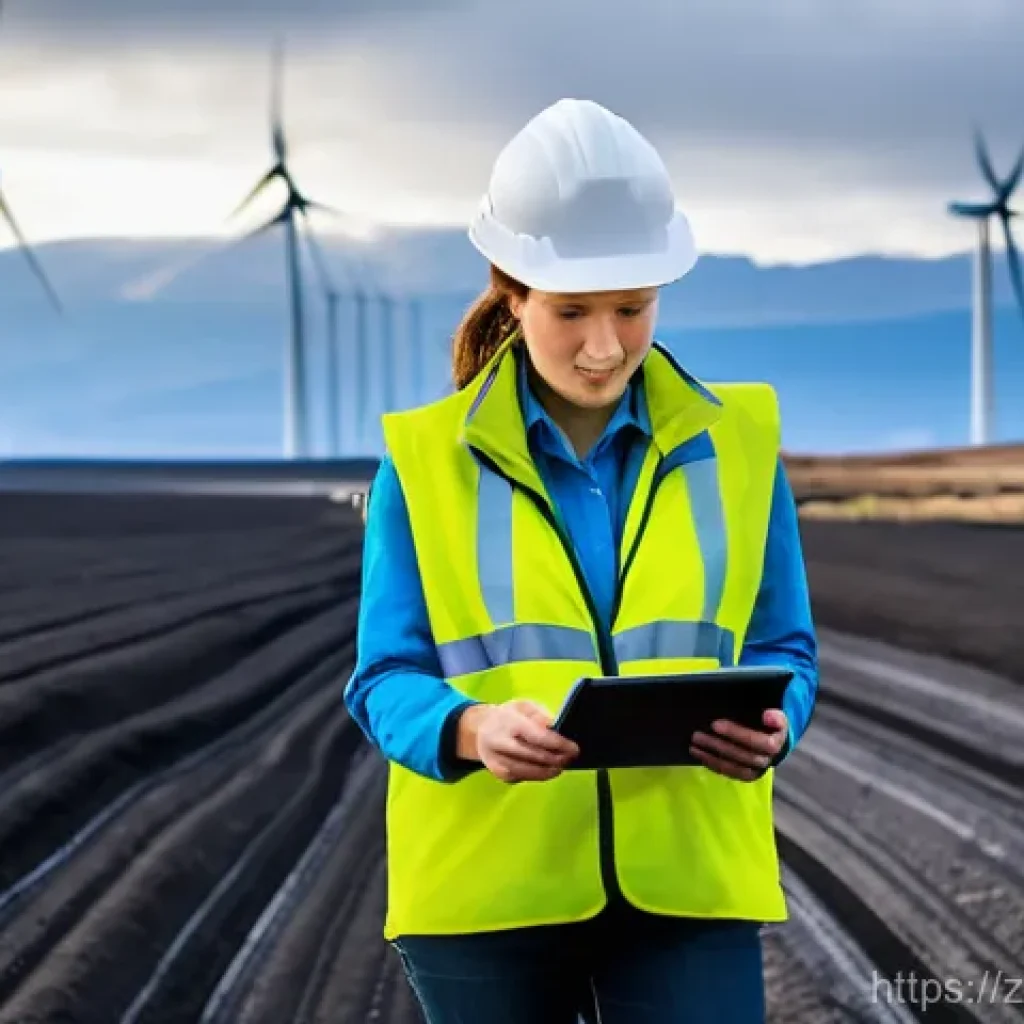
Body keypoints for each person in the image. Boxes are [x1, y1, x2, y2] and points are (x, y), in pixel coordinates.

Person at [345, 98, 819, 1024]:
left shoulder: (744, 446)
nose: (605, 347)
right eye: (570, 312)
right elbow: (383, 677)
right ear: (511, 290)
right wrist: (472, 731)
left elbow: (786, 648)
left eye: (632, 309)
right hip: (487, 888)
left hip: (691, 877)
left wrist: (775, 728)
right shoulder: (423, 461)